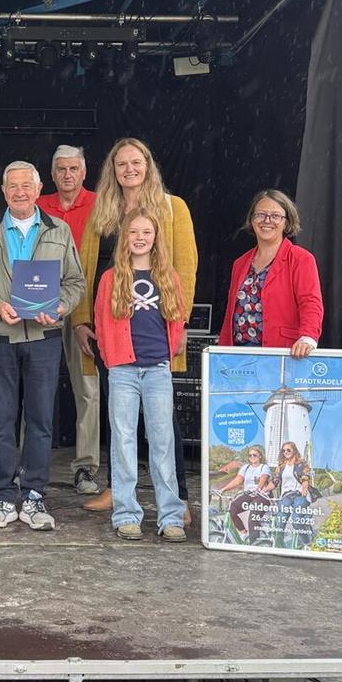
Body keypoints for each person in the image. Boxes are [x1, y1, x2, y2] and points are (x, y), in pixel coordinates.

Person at [71, 138, 197, 519]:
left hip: (156, 331)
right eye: (121, 164)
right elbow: (85, 270)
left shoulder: (173, 209)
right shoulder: (101, 213)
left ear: (148, 165)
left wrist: (182, 322)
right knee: (118, 418)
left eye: (136, 162)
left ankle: (180, 498)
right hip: (110, 332)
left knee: (164, 425)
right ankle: (116, 490)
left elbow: (186, 270)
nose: (129, 169)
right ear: (112, 170)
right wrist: (80, 320)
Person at [0, 161, 84, 530]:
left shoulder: (60, 231)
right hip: (0, 338)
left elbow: (75, 283)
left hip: (44, 338)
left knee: (40, 420)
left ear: (38, 190)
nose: (19, 192)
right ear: (3, 192)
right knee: (1, 420)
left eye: (26, 185)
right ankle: (2, 496)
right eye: (12, 186)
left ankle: (34, 496)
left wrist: (62, 306)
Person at [94, 207, 188, 542]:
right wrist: (111, 359)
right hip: (122, 370)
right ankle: (126, 514)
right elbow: (102, 324)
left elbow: (176, 321)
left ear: (155, 237)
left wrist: (170, 349)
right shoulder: (111, 278)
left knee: (162, 442)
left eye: (146, 232)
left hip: (158, 369)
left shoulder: (167, 276)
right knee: (123, 441)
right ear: (124, 237)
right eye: (133, 232)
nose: (139, 238)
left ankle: (170, 516)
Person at [36, 145, 100, 496]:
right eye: (61, 169)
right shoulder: (37, 204)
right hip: (41, 303)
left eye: (74, 169)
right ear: (52, 173)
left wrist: (89, 313)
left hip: (83, 306)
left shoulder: (100, 205)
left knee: (87, 388)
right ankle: (30, 464)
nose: (67, 175)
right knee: (35, 385)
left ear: (84, 172)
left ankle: (86, 468)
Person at [218, 190, 323, 358]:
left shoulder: (301, 259)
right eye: (260, 215)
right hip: (238, 358)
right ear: (252, 220)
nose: (267, 221)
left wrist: (308, 337)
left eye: (275, 216)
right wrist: (221, 353)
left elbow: (310, 302)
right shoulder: (239, 263)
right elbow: (231, 312)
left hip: (283, 355)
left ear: (287, 223)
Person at [217, 445, 272, 542]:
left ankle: (254, 543)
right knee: (232, 509)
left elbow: (263, 478)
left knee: (253, 518)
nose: (252, 457)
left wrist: (258, 488)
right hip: (248, 494)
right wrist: (223, 489)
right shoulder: (245, 467)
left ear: (260, 456)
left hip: (261, 495)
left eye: (254, 455)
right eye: (250, 455)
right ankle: (243, 532)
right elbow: (238, 480)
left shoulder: (264, 467)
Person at [273, 440, 313, 547]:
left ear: (294, 451)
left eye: (288, 450)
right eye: (283, 451)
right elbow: (275, 481)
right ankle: (279, 546)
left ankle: (306, 541)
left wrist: (304, 488)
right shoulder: (281, 466)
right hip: (286, 496)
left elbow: (305, 477)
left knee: (296, 520)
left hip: (299, 495)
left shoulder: (301, 464)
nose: (286, 452)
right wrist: (263, 490)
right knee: (279, 523)